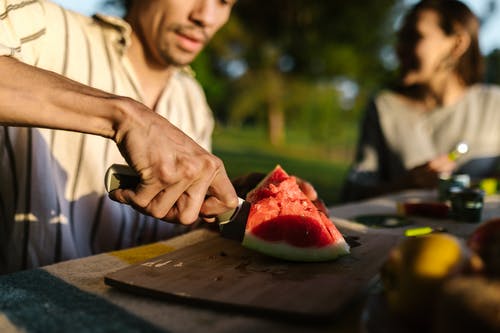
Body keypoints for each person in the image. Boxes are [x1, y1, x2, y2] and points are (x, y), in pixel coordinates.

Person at [0, 0, 240, 274]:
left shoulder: (193, 100)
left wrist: (221, 206)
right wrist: (124, 117)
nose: (206, 17)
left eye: (224, 2)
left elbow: (173, 233)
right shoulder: (42, 28)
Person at [340, 0, 500, 202]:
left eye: (413, 37)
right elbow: (351, 194)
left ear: (457, 43)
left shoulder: (494, 106)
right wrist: (405, 185)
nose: (399, 49)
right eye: (400, 38)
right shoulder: (385, 108)